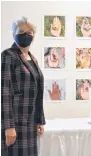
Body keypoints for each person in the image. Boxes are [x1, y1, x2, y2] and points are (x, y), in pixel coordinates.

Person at [1, 16, 46, 156]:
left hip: (31, 123)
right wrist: (8, 126)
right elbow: (5, 91)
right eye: (21, 31)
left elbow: (38, 93)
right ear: (13, 33)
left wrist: (40, 120)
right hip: (15, 124)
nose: (25, 35)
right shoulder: (8, 55)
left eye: (29, 32)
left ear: (34, 35)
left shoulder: (34, 60)